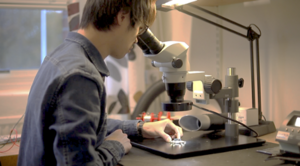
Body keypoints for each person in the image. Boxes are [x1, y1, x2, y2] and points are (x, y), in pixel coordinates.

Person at [17, 0, 183, 165]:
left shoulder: (63, 55)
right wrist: (115, 145)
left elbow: (85, 127)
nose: (137, 39)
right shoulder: (80, 76)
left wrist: (140, 128)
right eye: (140, 28)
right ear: (122, 17)